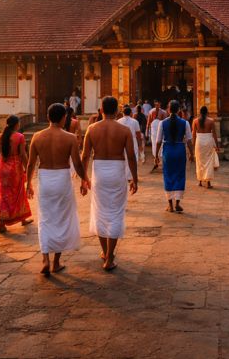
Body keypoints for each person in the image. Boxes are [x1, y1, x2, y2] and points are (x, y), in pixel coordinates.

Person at [26, 103, 90, 275]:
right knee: (62, 218)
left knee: (46, 219)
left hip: (45, 179)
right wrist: (85, 179)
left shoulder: (37, 137)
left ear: (48, 117)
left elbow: (31, 163)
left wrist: (28, 184)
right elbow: (76, 163)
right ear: (63, 118)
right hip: (62, 179)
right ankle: (56, 262)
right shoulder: (70, 138)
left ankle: (45, 258)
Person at [82, 97, 139, 271]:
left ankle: (105, 251)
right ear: (117, 111)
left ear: (101, 110)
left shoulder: (92, 129)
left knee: (100, 211)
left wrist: (84, 178)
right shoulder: (124, 130)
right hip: (116, 171)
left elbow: (85, 155)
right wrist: (135, 179)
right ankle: (110, 256)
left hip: (99, 171)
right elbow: (131, 156)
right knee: (115, 211)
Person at [0, 115, 33, 233]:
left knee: (3, 196)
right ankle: (23, 219)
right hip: (15, 169)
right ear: (16, 124)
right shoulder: (19, 137)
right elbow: (23, 155)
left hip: (2, 169)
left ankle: (1, 224)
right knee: (19, 193)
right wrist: (28, 168)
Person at [154, 99, 193, 213]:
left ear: (168, 109)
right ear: (179, 110)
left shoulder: (162, 123)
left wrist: (156, 155)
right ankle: (178, 203)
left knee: (168, 175)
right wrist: (191, 153)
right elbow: (189, 140)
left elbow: (158, 141)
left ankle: (170, 204)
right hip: (180, 150)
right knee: (180, 175)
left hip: (168, 151)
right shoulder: (185, 123)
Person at [192, 106, 219, 189]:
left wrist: (193, 146)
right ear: (207, 112)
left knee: (199, 161)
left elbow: (193, 135)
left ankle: (200, 181)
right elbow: (214, 134)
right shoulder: (211, 121)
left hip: (199, 142)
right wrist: (217, 145)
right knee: (208, 162)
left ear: (200, 112)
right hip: (208, 141)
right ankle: (208, 182)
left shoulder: (195, 121)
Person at [118, 105, 143, 174]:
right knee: (133, 157)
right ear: (131, 113)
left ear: (123, 113)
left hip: (121, 142)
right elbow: (138, 135)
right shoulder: (135, 122)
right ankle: (131, 175)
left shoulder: (118, 121)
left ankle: (125, 175)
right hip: (132, 141)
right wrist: (140, 145)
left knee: (124, 158)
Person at [147, 100, 167, 170]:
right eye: (156, 105)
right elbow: (148, 123)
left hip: (160, 129)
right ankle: (156, 161)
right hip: (153, 130)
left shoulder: (163, 112)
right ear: (154, 105)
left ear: (160, 105)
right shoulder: (151, 112)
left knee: (161, 144)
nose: (157, 106)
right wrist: (147, 132)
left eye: (158, 105)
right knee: (154, 145)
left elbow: (165, 122)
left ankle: (161, 162)